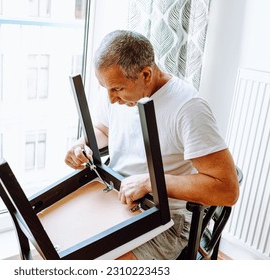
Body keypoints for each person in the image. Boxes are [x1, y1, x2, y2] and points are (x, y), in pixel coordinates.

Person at [64, 30, 239, 260]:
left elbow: (227, 189)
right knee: (68, 245)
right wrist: (82, 144)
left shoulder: (188, 108)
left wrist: (150, 182)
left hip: (168, 218)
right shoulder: (115, 91)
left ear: (146, 74)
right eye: (104, 87)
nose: (110, 99)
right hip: (118, 197)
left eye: (117, 89)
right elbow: (104, 129)